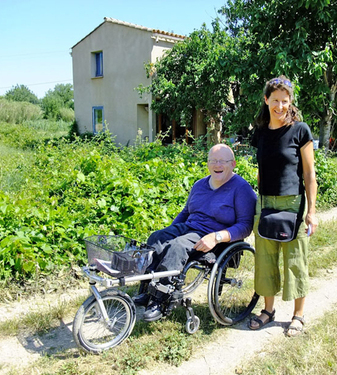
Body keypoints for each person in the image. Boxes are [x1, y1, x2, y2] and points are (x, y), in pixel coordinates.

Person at [135, 144, 257, 322]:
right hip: (190, 228)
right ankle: (147, 289)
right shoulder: (200, 185)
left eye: (223, 161)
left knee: (178, 246)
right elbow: (185, 213)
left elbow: (246, 225)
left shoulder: (241, 189)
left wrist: (217, 237)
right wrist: (169, 232)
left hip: (216, 237)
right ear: (208, 163)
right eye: (213, 161)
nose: (217, 165)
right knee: (157, 238)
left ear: (233, 164)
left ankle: (161, 300)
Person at [248, 76, 318, 337]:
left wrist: (311, 212)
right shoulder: (261, 133)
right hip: (265, 202)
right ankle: (268, 311)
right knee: (265, 259)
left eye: (284, 101)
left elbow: (310, 175)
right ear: (266, 100)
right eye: (275, 100)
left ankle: (298, 315)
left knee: (295, 259)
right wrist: (258, 201)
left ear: (291, 103)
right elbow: (261, 170)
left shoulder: (300, 131)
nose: (279, 106)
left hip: (293, 203)